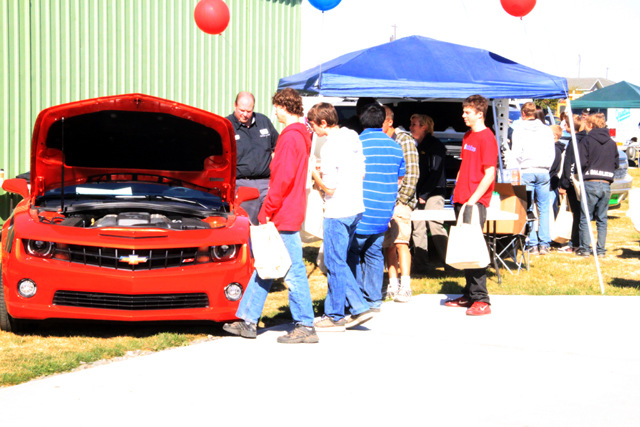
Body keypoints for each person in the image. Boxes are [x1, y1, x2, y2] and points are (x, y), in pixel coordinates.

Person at [223, 88, 317, 344]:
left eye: (276, 107)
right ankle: (248, 319)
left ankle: (305, 324)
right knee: (266, 264)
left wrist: (267, 210)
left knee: (293, 270)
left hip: (283, 212)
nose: (274, 112)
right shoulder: (301, 134)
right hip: (290, 208)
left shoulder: (289, 137)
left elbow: (282, 179)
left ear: (284, 107)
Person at [306, 103, 373, 331]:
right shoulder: (352, 136)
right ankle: (343, 309)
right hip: (356, 207)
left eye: (313, 125)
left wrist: (314, 172)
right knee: (339, 261)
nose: (313, 130)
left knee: (334, 262)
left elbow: (330, 188)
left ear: (323, 122)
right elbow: (362, 172)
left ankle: (346, 311)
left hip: (337, 210)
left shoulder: (328, 148)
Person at [347, 103, 405, 311]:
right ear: (383, 122)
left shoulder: (356, 144)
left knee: (352, 254)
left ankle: (356, 301)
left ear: (361, 119)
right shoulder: (395, 146)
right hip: (383, 212)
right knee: (374, 254)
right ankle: (373, 300)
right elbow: (399, 179)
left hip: (359, 210)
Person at [444, 95, 497, 316]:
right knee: (465, 247)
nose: (463, 115)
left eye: (467, 112)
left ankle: (481, 299)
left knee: (474, 247)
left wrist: (473, 200)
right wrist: (457, 191)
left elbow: (489, 174)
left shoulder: (487, 138)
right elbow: (464, 165)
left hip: (474, 202)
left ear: (480, 113)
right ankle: (469, 295)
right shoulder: (468, 135)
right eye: (464, 111)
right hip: (461, 199)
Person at [381, 106, 419, 302]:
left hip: (400, 202)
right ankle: (392, 284)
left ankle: (406, 286)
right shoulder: (381, 140)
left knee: (401, 242)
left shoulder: (404, 140)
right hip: (384, 201)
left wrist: (402, 199)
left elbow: (412, 173)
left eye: (380, 122)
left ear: (390, 122)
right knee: (387, 245)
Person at [226, 91, 279, 225]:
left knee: (272, 223)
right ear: (235, 106)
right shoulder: (227, 125)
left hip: (266, 183)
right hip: (242, 184)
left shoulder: (263, 121)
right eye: (241, 110)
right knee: (247, 224)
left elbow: (278, 146)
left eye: (249, 111)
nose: (245, 114)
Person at [511, 102, 555, 256]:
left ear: (523, 113)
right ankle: (544, 244)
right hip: (543, 170)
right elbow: (552, 152)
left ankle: (533, 243)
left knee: (527, 208)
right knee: (543, 208)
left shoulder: (518, 130)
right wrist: (547, 167)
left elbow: (516, 153)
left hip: (526, 170)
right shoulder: (546, 129)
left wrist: (517, 168)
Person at [409, 113, 449, 273]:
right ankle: (421, 265)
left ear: (424, 127)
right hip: (418, 192)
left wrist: (424, 194)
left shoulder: (435, 145)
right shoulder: (415, 146)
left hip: (434, 192)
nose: (410, 128)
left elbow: (435, 172)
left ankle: (450, 263)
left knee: (435, 224)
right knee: (417, 227)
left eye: (414, 124)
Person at [576, 113, 619, 258]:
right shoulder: (612, 143)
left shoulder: (587, 140)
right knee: (602, 219)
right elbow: (616, 164)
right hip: (606, 183)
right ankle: (600, 251)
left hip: (590, 182)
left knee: (586, 217)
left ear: (591, 125)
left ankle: (585, 249)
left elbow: (581, 162)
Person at [557, 115, 586, 253]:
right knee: (582, 213)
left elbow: (569, 164)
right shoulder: (586, 139)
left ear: (569, 126)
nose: (564, 127)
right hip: (585, 180)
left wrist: (564, 184)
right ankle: (580, 241)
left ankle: (575, 242)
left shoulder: (574, 141)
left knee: (575, 213)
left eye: (566, 124)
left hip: (574, 182)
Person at [549, 124, 566, 219]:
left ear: (554, 136)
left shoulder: (556, 149)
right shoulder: (558, 148)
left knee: (551, 209)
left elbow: (552, 167)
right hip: (553, 182)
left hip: (551, 182)